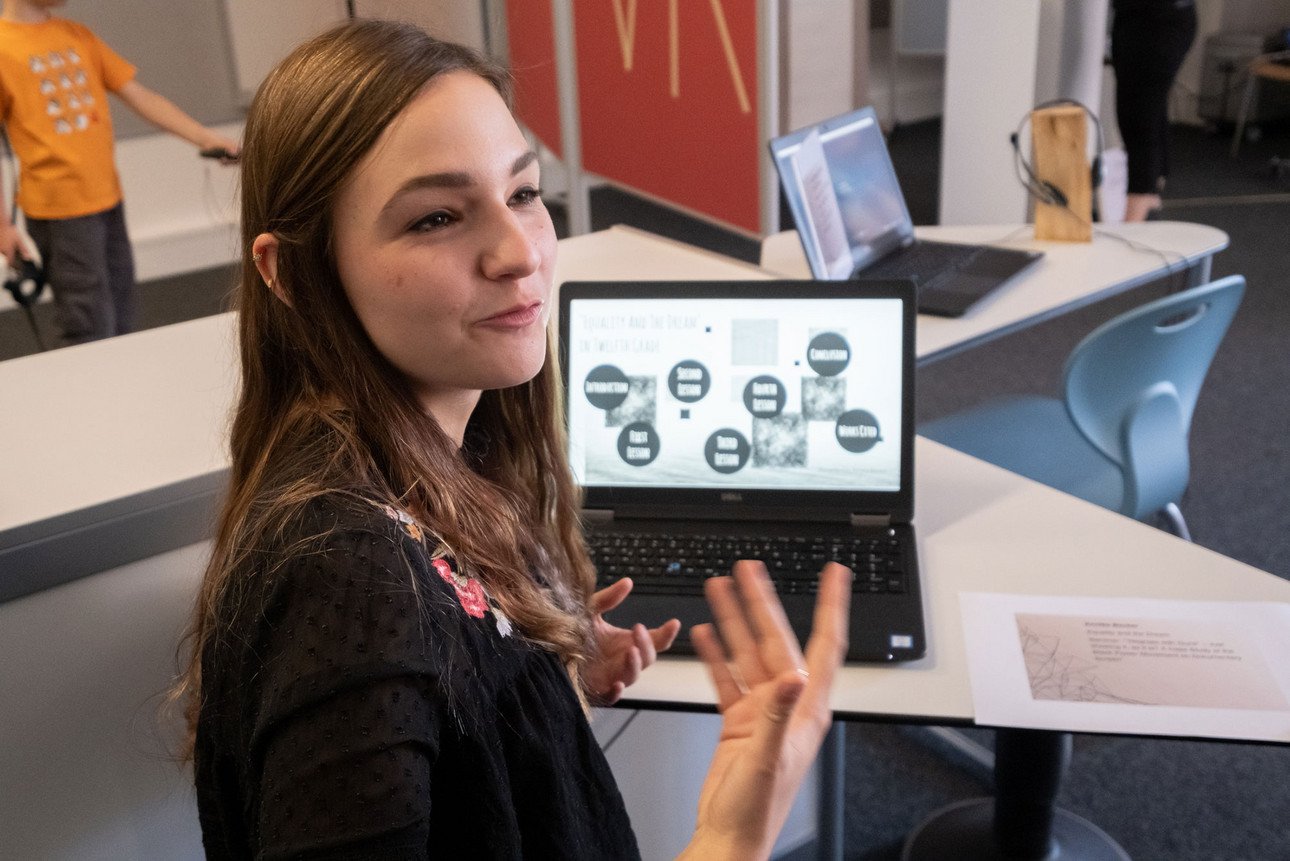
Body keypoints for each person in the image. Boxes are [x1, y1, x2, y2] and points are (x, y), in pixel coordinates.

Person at [175, 19, 851, 860]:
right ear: (288, 272)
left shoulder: (439, 462)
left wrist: (531, 683)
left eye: (525, 193)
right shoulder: (344, 572)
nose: (517, 252)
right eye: (435, 218)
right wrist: (732, 834)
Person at [0, 0, 240, 346]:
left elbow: (140, 96)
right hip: (61, 213)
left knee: (123, 313)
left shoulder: (77, 36)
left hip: (107, 199)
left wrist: (206, 138)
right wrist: (4, 227)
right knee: (87, 323)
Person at [1109, 0, 1198, 222]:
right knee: (1147, 111)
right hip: (1135, 19)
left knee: (1140, 117)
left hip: (1160, 22)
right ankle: (1152, 190)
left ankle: (1138, 209)